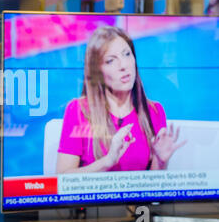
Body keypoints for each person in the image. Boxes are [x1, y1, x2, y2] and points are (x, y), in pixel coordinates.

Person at [56, 26, 187, 173]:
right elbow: (62, 178)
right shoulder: (78, 110)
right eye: (111, 61)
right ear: (97, 71)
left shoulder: (154, 112)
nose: (123, 66)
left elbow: (152, 187)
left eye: (127, 54)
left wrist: (161, 161)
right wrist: (108, 161)